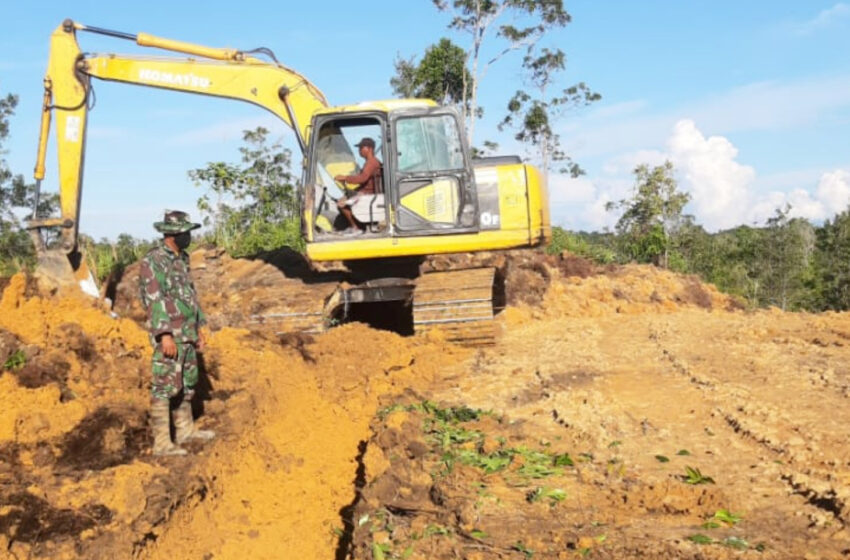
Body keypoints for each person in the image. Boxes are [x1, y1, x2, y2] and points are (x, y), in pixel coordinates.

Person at [138, 210, 215, 456]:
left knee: (187, 384)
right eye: (184, 233)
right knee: (165, 386)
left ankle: (185, 432)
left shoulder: (183, 259)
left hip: (188, 333)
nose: (188, 237)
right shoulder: (154, 261)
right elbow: (154, 300)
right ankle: (162, 443)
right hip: (171, 335)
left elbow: (190, 295)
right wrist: (165, 335)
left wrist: (199, 326)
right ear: (171, 234)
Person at [334, 137, 382, 233]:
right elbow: (365, 181)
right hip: (365, 193)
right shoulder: (371, 162)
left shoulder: (371, 163)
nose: (359, 150)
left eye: (361, 148)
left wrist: (345, 178)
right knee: (343, 198)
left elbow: (362, 178)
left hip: (368, 196)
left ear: (369, 149)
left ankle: (356, 228)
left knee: (341, 204)